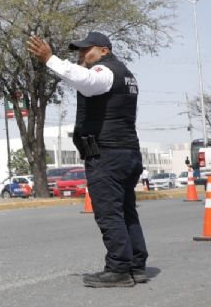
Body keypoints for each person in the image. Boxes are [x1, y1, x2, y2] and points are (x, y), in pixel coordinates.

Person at [27, 31, 147, 288]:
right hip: (127, 151)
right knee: (126, 211)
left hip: (108, 154)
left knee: (108, 212)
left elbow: (86, 80)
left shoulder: (105, 71)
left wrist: (50, 59)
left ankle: (119, 269)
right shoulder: (126, 74)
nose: (82, 55)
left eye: (87, 50)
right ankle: (136, 265)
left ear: (104, 50)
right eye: (79, 51)